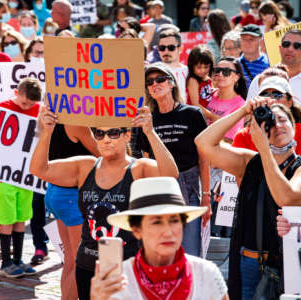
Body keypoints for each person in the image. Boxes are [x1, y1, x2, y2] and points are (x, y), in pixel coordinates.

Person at [30, 103, 178, 300]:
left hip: (128, 266)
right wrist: (46, 132)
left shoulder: (139, 168)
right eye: (99, 134)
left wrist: (150, 133)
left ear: (127, 135)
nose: (106, 139)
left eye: (114, 133)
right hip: (88, 265)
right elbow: (39, 170)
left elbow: (171, 174)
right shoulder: (85, 166)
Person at [195, 94, 301, 299]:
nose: (277, 125)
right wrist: (244, 110)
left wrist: (263, 147)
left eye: (282, 120)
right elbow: (203, 143)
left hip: (284, 267)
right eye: (270, 122)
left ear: (294, 126)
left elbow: (286, 197)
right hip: (247, 263)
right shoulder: (249, 161)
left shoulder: (299, 168)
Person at [90, 177, 229, 300]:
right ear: (137, 230)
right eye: (156, 222)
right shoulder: (119, 281)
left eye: (174, 221)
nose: (168, 232)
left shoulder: (206, 274)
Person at [137, 62, 211, 257]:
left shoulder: (192, 114)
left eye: (160, 79)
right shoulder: (147, 121)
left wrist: (206, 195)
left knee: (191, 251)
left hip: (190, 188)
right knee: (164, 249)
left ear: (171, 83)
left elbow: (204, 159)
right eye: (150, 82)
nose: (155, 84)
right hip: (160, 189)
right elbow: (146, 159)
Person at [0, 78, 41, 277]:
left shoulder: (39, 111)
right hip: (4, 175)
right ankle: (5, 262)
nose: (28, 107)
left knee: (22, 216)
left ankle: (17, 260)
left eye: (31, 104)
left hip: (26, 174)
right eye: (24, 103)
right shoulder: (1, 108)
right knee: (6, 217)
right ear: (16, 92)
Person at [233, 74, 301, 155]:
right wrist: (244, 110)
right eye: (264, 95)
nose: (270, 99)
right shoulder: (245, 135)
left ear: (289, 102)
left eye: (277, 95)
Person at [247, 30, 301, 104]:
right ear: (280, 48)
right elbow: (248, 113)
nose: (290, 49)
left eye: (297, 46)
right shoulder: (260, 80)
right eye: (286, 44)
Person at [207, 57, 247, 140]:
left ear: (236, 77)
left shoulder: (240, 105)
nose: (220, 74)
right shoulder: (209, 95)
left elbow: (230, 139)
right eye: (217, 71)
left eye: (226, 72)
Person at [155, 29, 189, 101]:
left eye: (171, 47)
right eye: (162, 48)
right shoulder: (152, 72)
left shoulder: (189, 72)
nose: (166, 51)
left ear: (181, 48)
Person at [186, 45, 216, 121]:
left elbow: (208, 95)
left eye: (206, 67)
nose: (203, 70)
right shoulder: (193, 80)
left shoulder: (208, 79)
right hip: (194, 117)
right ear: (192, 66)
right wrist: (212, 116)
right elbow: (195, 104)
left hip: (205, 116)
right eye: (199, 67)